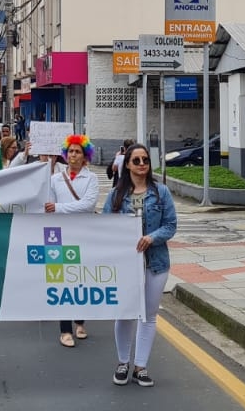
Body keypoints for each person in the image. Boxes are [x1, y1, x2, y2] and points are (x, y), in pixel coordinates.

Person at [103, 144, 177, 388]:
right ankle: (123, 362)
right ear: (127, 165)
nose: (142, 164)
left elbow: (170, 225)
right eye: (136, 160)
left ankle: (141, 366)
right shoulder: (116, 195)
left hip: (155, 263)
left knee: (149, 315)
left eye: (145, 159)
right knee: (125, 314)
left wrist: (151, 237)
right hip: (125, 265)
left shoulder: (161, 192)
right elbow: (104, 227)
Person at [48, 134, 102, 348]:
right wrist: (55, 210)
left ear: (85, 156)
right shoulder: (55, 179)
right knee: (63, 280)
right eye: (70, 151)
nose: (73, 155)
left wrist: (59, 209)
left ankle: (80, 321)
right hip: (60, 235)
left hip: (85, 234)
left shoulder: (92, 179)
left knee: (82, 278)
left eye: (78, 152)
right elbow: (48, 206)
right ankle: (65, 329)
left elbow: (88, 205)